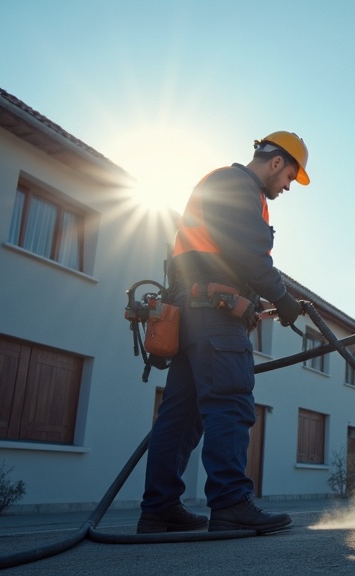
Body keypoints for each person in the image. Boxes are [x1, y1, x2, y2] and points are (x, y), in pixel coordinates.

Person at [137, 131, 310, 535]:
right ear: (276, 163)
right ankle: (231, 502)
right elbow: (249, 252)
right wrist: (281, 297)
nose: (286, 188)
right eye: (289, 178)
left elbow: (226, 253)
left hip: (195, 313)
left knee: (181, 417)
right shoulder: (237, 186)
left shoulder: (221, 185)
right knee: (230, 402)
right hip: (214, 316)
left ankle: (160, 510)